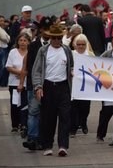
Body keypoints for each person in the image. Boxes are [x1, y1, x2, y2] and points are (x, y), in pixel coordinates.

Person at [32, 24, 74, 157]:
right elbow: (37, 70)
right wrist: (38, 86)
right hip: (48, 86)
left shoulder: (67, 50)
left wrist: (72, 72)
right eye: (54, 38)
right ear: (50, 38)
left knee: (65, 117)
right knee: (48, 119)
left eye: (59, 38)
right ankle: (48, 146)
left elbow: (71, 66)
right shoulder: (43, 51)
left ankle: (63, 146)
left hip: (63, 87)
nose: (57, 41)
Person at [21, 16, 52, 151]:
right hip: (34, 84)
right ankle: (32, 138)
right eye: (44, 29)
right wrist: (26, 83)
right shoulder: (33, 46)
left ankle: (43, 139)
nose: (47, 32)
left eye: (49, 29)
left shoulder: (56, 45)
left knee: (47, 113)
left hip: (51, 84)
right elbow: (29, 66)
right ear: (40, 30)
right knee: (33, 111)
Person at [70, 34, 94, 137]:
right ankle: (73, 128)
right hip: (74, 85)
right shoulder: (71, 54)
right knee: (73, 108)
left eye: (83, 44)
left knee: (85, 107)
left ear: (86, 44)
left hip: (86, 85)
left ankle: (83, 123)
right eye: (78, 44)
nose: (80, 46)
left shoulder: (90, 54)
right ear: (75, 45)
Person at [5, 33, 31, 134]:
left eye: (25, 40)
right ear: (17, 42)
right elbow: (8, 67)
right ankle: (15, 125)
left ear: (28, 42)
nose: (23, 42)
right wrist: (21, 73)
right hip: (14, 82)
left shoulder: (30, 52)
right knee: (15, 103)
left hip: (26, 83)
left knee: (24, 104)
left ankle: (23, 123)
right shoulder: (13, 52)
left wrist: (24, 75)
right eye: (21, 40)